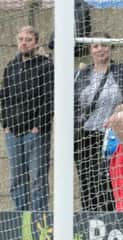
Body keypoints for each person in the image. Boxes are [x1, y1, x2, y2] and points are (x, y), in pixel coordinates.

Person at [74, 33, 123, 211]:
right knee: (87, 182)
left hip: (111, 136)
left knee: (108, 181)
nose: (100, 49)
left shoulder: (122, 72)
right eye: (96, 46)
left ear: (111, 48)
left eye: (104, 45)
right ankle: (88, 218)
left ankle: (108, 220)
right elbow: (74, 104)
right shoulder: (81, 74)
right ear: (90, 50)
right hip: (85, 136)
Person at [0, 26, 54, 211]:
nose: (24, 42)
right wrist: (6, 124)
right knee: (17, 178)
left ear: (36, 42)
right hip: (13, 132)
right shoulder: (11, 67)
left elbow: (49, 99)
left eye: (28, 39)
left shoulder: (45, 66)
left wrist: (38, 126)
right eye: (21, 39)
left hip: (36, 132)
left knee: (38, 177)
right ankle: (20, 217)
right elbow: (5, 97)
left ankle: (39, 218)